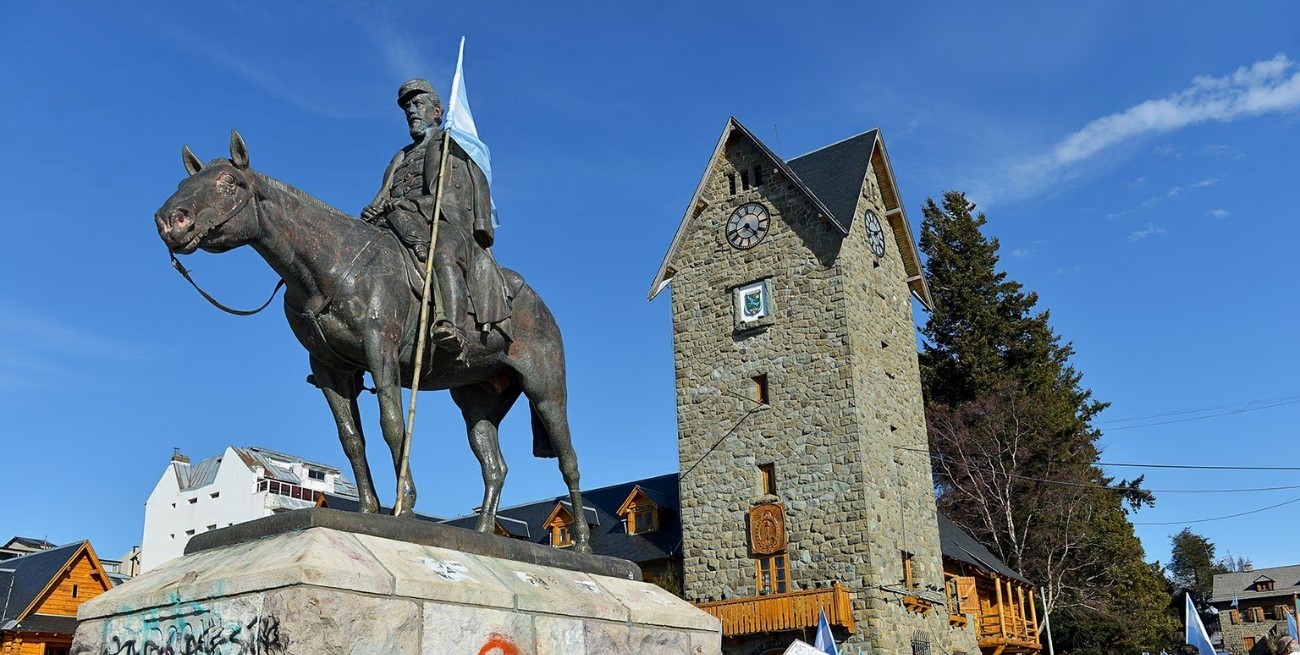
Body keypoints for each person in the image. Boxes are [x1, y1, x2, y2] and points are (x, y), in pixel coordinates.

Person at [362, 79, 510, 354]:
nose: (411, 111)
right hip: (397, 219)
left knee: (443, 249)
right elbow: (383, 194)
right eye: (407, 107)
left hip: (442, 220)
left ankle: (452, 325)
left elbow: (471, 185)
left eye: (417, 104)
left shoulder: (453, 144)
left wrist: (481, 223)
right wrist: (373, 209)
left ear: (437, 111)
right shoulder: (400, 156)